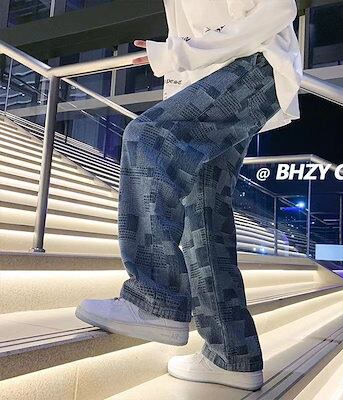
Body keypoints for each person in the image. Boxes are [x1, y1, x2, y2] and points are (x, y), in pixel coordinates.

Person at [76, 0, 303, 391]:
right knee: (203, 210)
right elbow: (189, 39)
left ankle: (155, 298)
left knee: (146, 138)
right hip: (221, 76)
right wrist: (175, 65)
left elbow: (279, 8)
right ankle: (233, 356)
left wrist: (174, 55)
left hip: (254, 68)